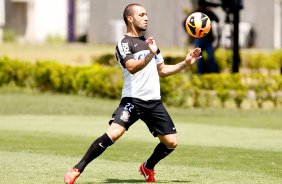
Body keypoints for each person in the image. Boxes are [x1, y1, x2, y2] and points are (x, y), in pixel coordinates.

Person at [64, 3, 201, 184]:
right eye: (142, 14)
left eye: (146, 15)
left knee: (171, 143)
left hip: (154, 102)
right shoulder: (124, 44)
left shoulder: (150, 43)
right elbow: (131, 68)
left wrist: (185, 63)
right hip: (133, 100)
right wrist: (149, 55)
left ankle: (148, 167)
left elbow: (162, 70)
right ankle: (77, 169)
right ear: (130, 18)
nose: (146, 18)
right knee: (112, 134)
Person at [187, 0, 219, 74]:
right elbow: (185, 22)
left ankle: (213, 73)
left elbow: (217, 19)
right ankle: (201, 73)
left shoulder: (207, 13)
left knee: (210, 57)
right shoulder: (195, 13)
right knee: (199, 59)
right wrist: (191, 33)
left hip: (207, 38)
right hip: (198, 38)